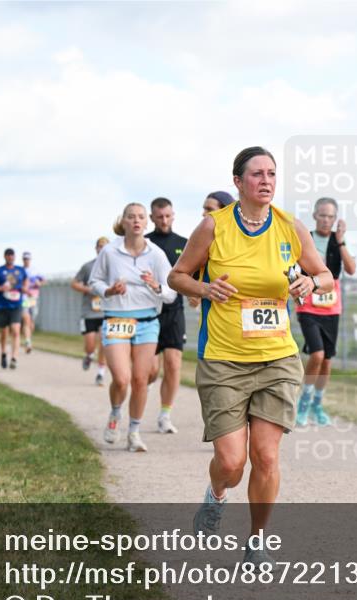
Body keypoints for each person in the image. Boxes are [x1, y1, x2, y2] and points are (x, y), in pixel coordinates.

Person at [168, 147, 333, 565]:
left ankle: (258, 539)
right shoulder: (213, 227)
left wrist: (311, 285)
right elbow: (177, 276)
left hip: (277, 358)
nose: (266, 180)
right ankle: (216, 494)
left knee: (267, 455)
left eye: (272, 174)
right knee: (231, 461)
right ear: (238, 182)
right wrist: (205, 289)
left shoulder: (290, 228)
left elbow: (324, 274)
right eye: (256, 174)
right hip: (223, 359)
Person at [89, 203, 178, 453]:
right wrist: (108, 290)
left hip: (148, 322)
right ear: (124, 222)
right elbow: (93, 281)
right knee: (122, 378)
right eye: (131, 217)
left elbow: (171, 294)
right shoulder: (109, 251)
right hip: (117, 320)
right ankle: (116, 413)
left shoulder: (156, 255)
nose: (136, 221)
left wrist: (155, 286)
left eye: (140, 217)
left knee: (141, 379)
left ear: (146, 223)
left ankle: (134, 432)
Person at [294, 197, 356, 426]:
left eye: (330, 216)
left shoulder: (337, 241)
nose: (326, 220)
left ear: (335, 218)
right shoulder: (306, 238)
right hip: (308, 306)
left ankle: (316, 405)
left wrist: (340, 242)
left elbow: (351, 269)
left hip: (332, 308)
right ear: (314, 216)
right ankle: (303, 403)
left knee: (327, 361)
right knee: (317, 355)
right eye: (322, 215)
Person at [145, 197, 189, 434]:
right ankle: (146, 384)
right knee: (151, 370)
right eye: (159, 216)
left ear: (173, 215)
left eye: (168, 216)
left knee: (173, 365)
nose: (164, 220)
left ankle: (165, 415)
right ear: (152, 218)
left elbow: (192, 274)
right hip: (150, 312)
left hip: (175, 311)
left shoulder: (184, 243)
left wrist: (195, 293)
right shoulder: (145, 244)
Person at [71, 236, 110, 386]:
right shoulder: (88, 267)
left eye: (105, 246)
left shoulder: (113, 266)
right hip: (89, 311)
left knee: (105, 342)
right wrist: (87, 289)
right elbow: (74, 283)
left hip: (106, 311)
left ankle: (100, 372)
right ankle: (88, 355)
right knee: (90, 344)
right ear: (96, 249)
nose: (102, 249)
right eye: (100, 246)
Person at [0, 248, 28, 370]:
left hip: (16, 305)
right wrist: (0, 288)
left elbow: (26, 280)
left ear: (14, 257)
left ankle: (14, 358)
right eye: (8, 255)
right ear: (5, 257)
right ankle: (4, 353)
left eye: (12, 255)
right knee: (4, 332)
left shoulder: (20, 270)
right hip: (2, 305)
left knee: (15, 330)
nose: (10, 257)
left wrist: (24, 287)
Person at [20, 251, 44, 353]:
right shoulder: (20, 271)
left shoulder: (35, 270)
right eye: (25, 259)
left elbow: (43, 280)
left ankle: (28, 338)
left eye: (28, 259)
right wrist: (25, 290)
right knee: (26, 320)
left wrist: (39, 283)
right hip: (24, 298)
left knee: (31, 322)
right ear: (23, 260)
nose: (26, 260)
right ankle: (28, 342)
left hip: (33, 298)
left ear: (30, 259)